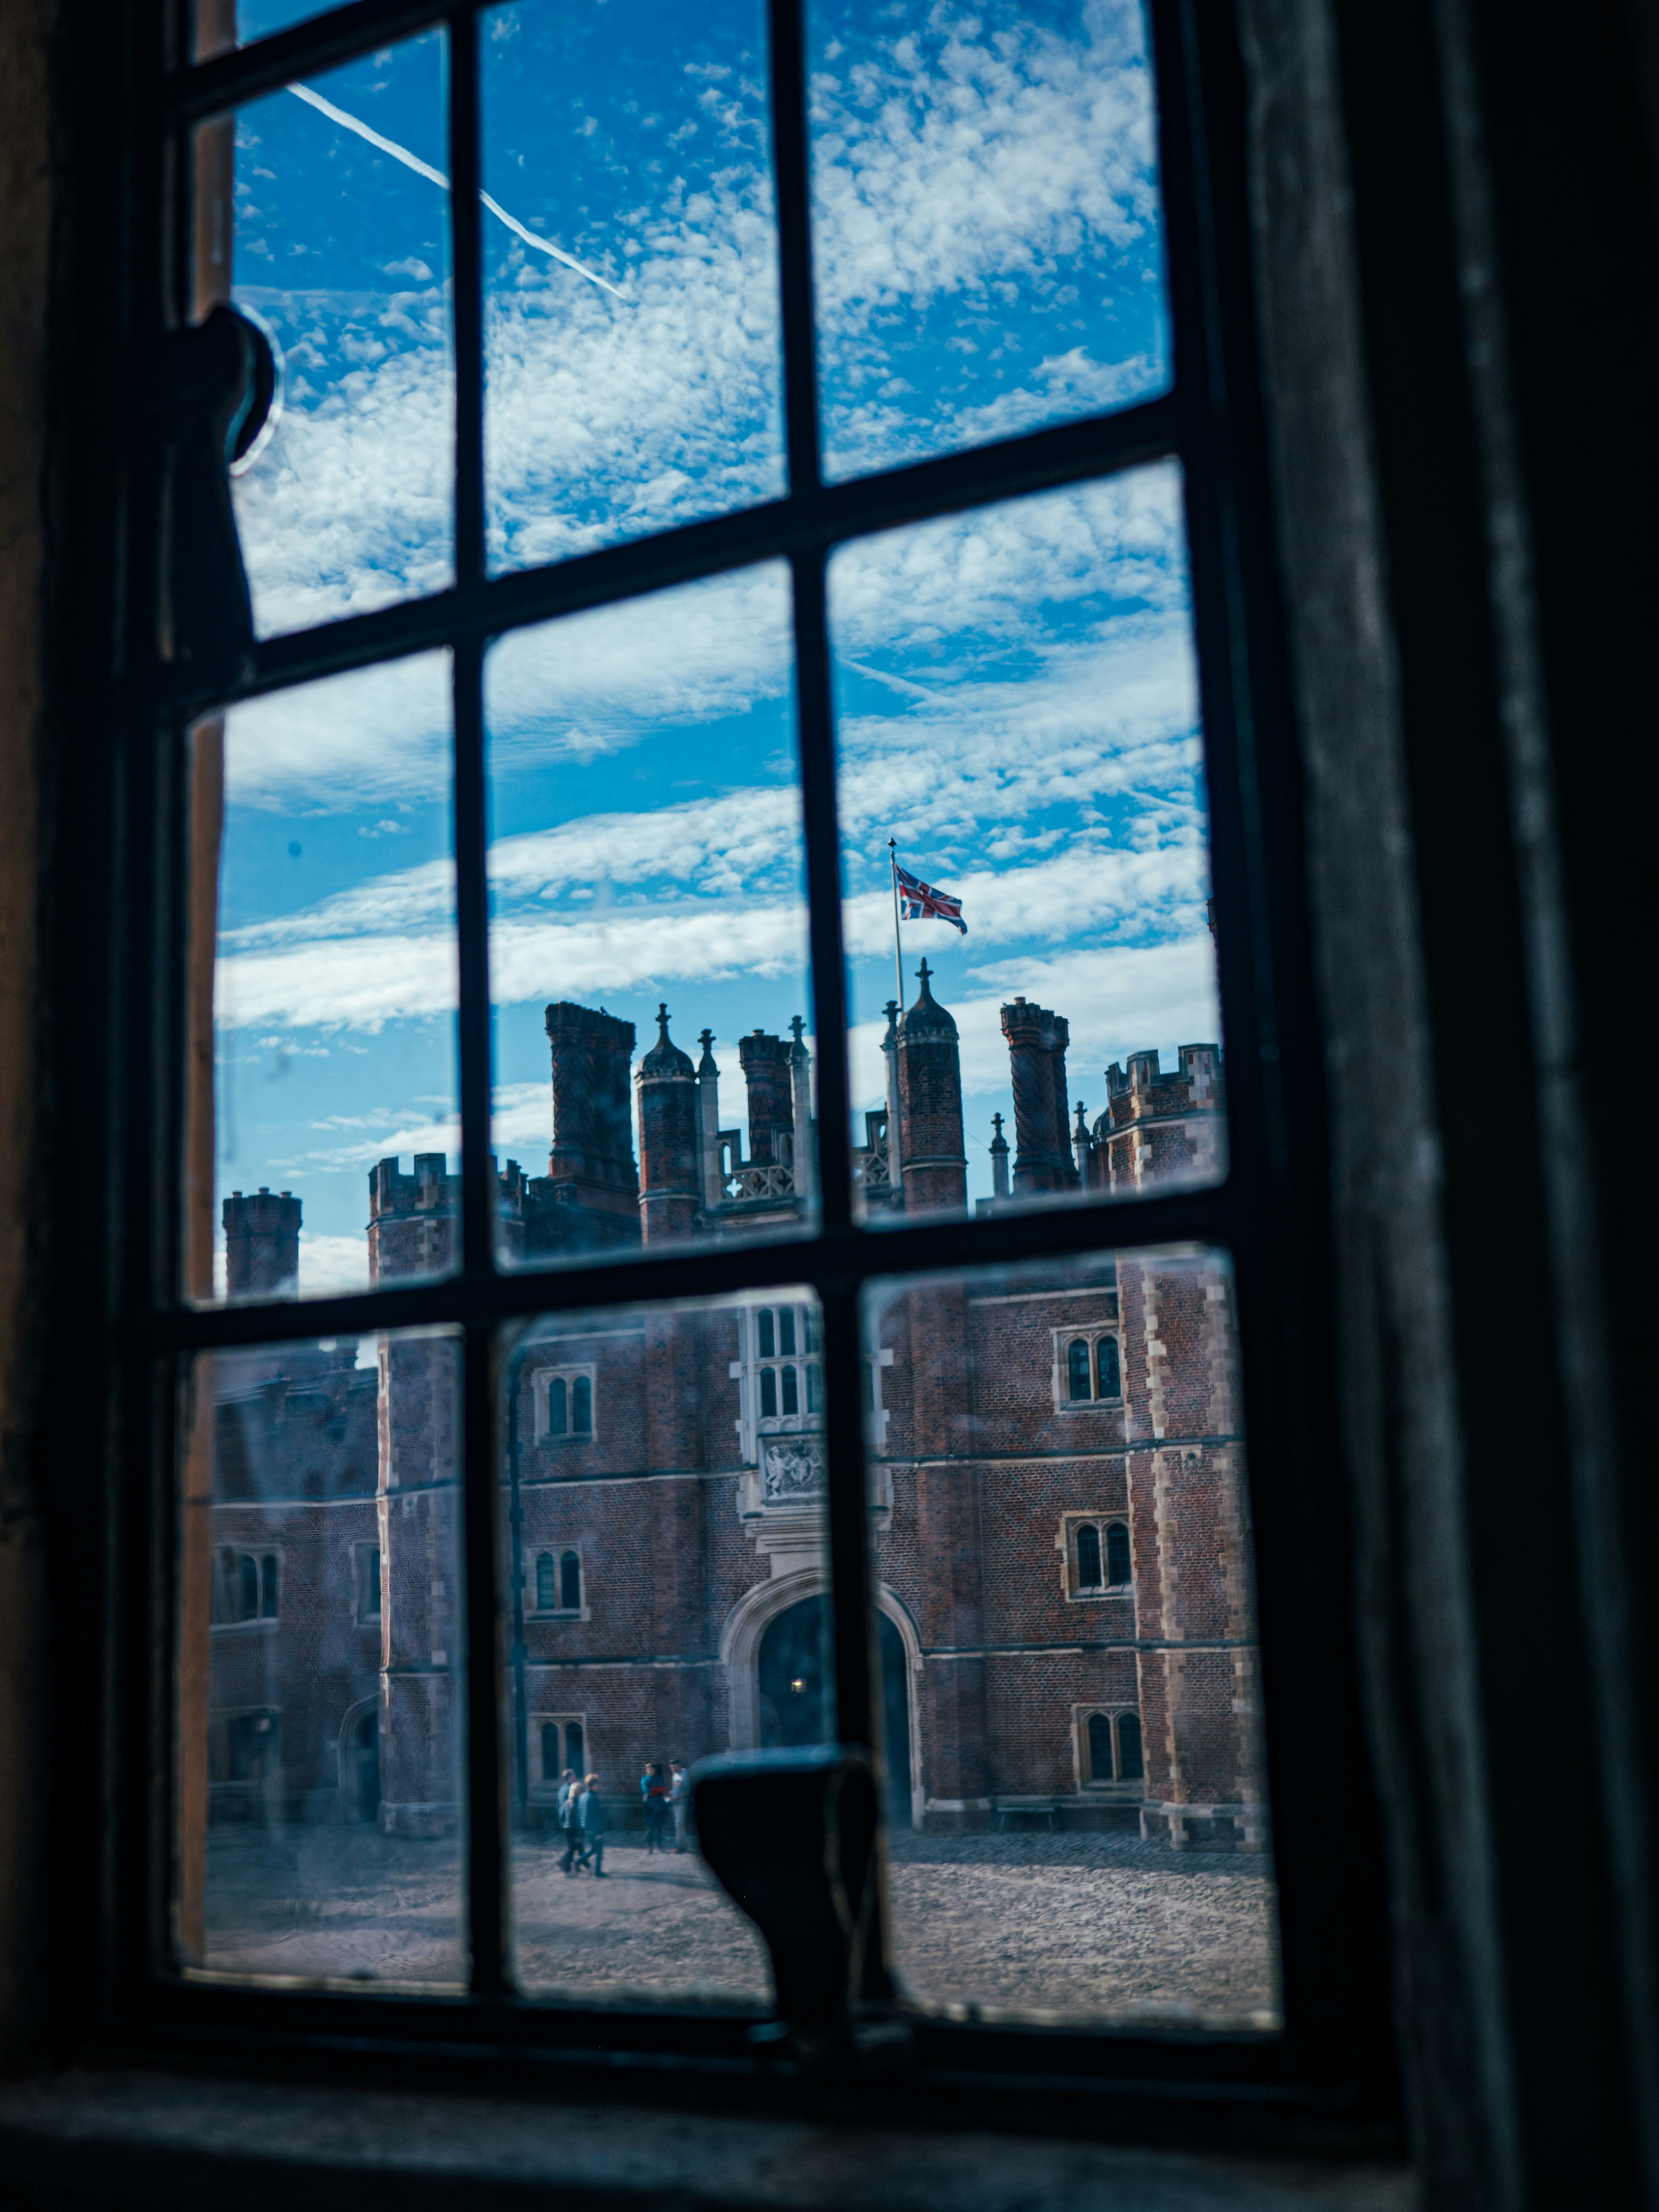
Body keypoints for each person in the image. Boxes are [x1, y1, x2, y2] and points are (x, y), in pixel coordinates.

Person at [577, 1773, 607, 1877]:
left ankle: (578, 1863)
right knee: (599, 1849)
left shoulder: (582, 1797)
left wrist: (582, 1829)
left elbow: (580, 1813)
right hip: (593, 1828)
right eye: (597, 1784)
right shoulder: (594, 1799)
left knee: (594, 1849)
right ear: (594, 1785)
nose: (598, 1786)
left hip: (585, 1827)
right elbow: (596, 1817)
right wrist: (599, 1832)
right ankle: (598, 1872)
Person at [558, 1769, 584, 1875]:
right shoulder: (569, 1790)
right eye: (574, 1776)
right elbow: (570, 1808)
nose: (576, 1777)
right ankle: (565, 1862)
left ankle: (575, 1867)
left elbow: (559, 1807)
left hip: (567, 1823)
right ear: (569, 1778)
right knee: (575, 1845)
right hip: (572, 1824)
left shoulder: (561, 1789)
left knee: (575, 1845)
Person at [640, 1761, 669, 1853]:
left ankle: (660, 1845)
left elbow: (663, 1789)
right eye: (649, 1770)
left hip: (659, 1805)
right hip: (649, 1807)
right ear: (647, 1771)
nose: (651, 1771)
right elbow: (647, 1791)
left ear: (655, 1770)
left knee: (659, 1827)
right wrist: (657, 1790)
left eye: (652, 1769)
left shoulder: (659, 1778)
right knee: (650, 1828)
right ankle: (649, 1847)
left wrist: (654, 1789)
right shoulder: (644, 1779)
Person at [669, 1760, 690, 1854]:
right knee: (680, 1825)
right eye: (672, 1767)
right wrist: (671, 1793)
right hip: (675, 1803)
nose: (673, 1769)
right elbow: (676, 1788)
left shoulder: (684, 1775)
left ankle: (680, 1846)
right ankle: (684, 1845)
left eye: (675, 1767)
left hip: (682, 1803)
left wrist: (677, 1797)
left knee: (678, 1824)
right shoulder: (675, 1775)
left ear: (680, 1766)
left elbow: (688, 1791)